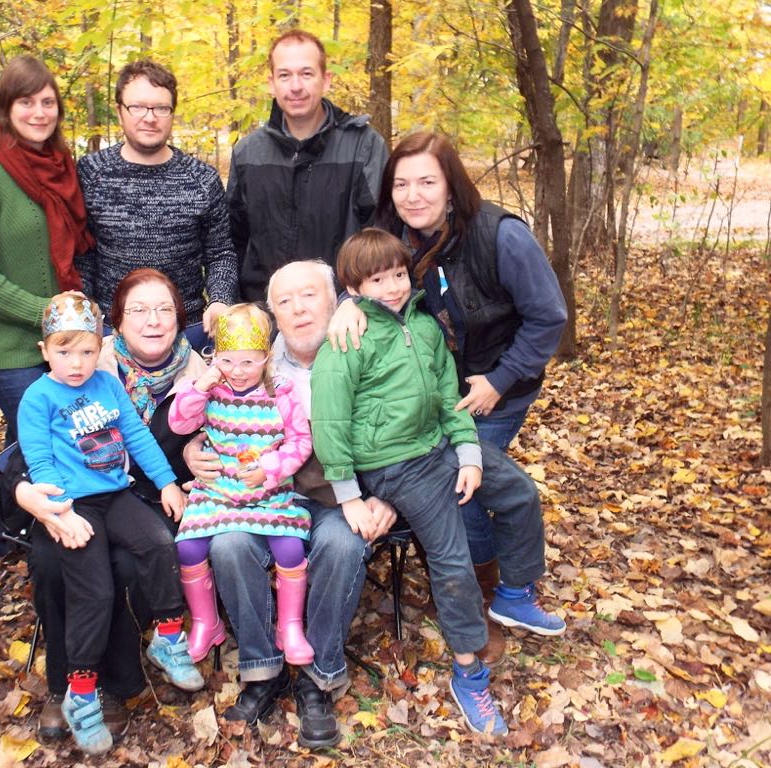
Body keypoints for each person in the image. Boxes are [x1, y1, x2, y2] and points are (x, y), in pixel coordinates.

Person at [311, 229, 566, 736]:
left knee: (518, 491)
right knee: (452, 560)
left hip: (441, 445)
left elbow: (451, 398)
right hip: (396, 464)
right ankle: (469, 673)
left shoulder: (426, 328)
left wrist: (469, 453)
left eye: (400, 274)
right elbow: (330, 421)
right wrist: (350, 496)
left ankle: (514, 593)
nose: (393, 287)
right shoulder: (347, 340)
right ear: (355, 287)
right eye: (377, 279)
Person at [329, 132, 567, 664]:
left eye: (427, 182)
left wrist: (501, 379)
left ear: (452, 186)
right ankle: (486, 594)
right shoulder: (393, 234)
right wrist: (344, 304)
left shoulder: (500, 236)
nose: (414, 195)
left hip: (492, 389)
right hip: (430, 390)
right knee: (461, 486)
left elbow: (549, 317)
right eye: (402, 184)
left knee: (470, 484)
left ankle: (491, 597)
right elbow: (355, 270)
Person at [184, 261, 397, 749]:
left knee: (341, 547)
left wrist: (388, 497)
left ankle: (316, 678)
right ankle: (262, 669)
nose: (299, 309)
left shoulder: (364, 352)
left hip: (340, 500)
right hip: (259, 497)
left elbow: (409, 429)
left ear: (336, 299)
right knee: (230, 544)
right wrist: (193, 450)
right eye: (285, 301)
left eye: (309, 296)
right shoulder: (252, 355)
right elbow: (202, 414)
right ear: (271, 313)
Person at [9, 269, 209, 744]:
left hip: (118, 495)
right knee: (91, 588)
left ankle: (167, 635)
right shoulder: (41, 396)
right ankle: (77, 690)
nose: (76, 362)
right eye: (63, 351)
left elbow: (137, 436)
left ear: (99, 344)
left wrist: (167, 482)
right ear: (44, 352)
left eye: (84, 350)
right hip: (73, 505)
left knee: (160, 544)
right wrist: (59, 512)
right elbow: (35, 458)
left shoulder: (118, 383)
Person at [0, 55, 93, 448]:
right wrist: (46, 313)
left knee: (28, 453)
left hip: (65, 345)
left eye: (48, 102)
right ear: (6, 108)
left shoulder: (61, 167)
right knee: (47, 447)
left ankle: (10, 512)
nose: (39, 113)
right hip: (10, 349)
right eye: (26, 103)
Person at [169, 304, 314, 666]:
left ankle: (289, 625)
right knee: (188, 549)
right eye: (228, 361)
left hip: (269, 491)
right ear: (216, 356)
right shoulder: (207, 388)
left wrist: (272, 468)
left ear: (266, 357)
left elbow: (300, 442)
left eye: (248, 362)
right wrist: (202, 386)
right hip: (218, 489)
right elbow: (179, 424)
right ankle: (206, 621)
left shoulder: (282, 392)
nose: (237, 371)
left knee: (290, 548)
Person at [76, 59, 237, 351]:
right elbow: (82, 253)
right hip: (112, 331)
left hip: (188, 332)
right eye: (138, 107)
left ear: (172, 113)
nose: (150, 117)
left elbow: (220, 253)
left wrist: (220, 300)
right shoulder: (91, 173)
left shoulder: (202, 179)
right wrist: (86, 311)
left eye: (161, 108)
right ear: (119, 111)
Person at [226, 29, 388, 302]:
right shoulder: (247, 153)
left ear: (326, 81)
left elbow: (382, 237)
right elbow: (233, 242)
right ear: (271, 83)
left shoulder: (364, 146)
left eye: (306, 73)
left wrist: (355, 302)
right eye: (285, 75)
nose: (295, 86)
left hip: (344, 313)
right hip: (265, 311)